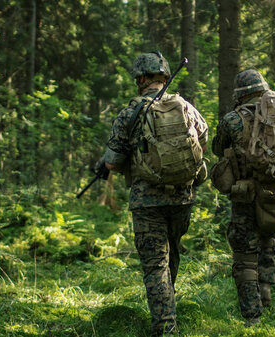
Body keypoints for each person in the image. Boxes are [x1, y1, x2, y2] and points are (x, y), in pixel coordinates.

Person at [96, 52, 208, 336]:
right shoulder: (187, 108)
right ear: (164, 76)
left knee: (155, 264)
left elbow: (113, 162)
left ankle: (165, 327)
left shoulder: (130, 114)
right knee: (171, 256)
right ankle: (168, 312)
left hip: (147, 202)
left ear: (142, 79)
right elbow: (204, 141)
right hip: (182, 197)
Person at [212, 69, 275, 326]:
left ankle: (252, 316)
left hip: (245, 194)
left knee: (245, 254)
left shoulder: (234, 119)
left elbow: (216, 147)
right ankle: (266, 296)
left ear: (240, 94)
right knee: (268, 242)